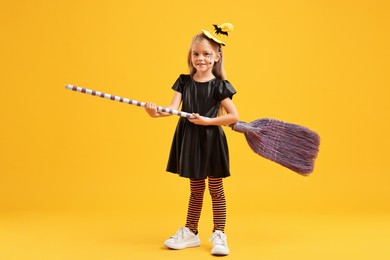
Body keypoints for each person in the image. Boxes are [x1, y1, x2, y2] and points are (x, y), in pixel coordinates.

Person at [144, 23, 238, 256]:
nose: (201, 58)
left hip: (212, 141)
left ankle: (219, 234)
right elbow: (171, 110)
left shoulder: (219, 86)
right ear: (191, 56)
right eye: (196, 54)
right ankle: (191, 232)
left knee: (216, 189)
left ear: (217, 56)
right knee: (196, 190)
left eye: (207, 54)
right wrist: (154, 112)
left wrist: (207, 121)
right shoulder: (184, 82)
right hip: (191, 141)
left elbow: (234, 116)